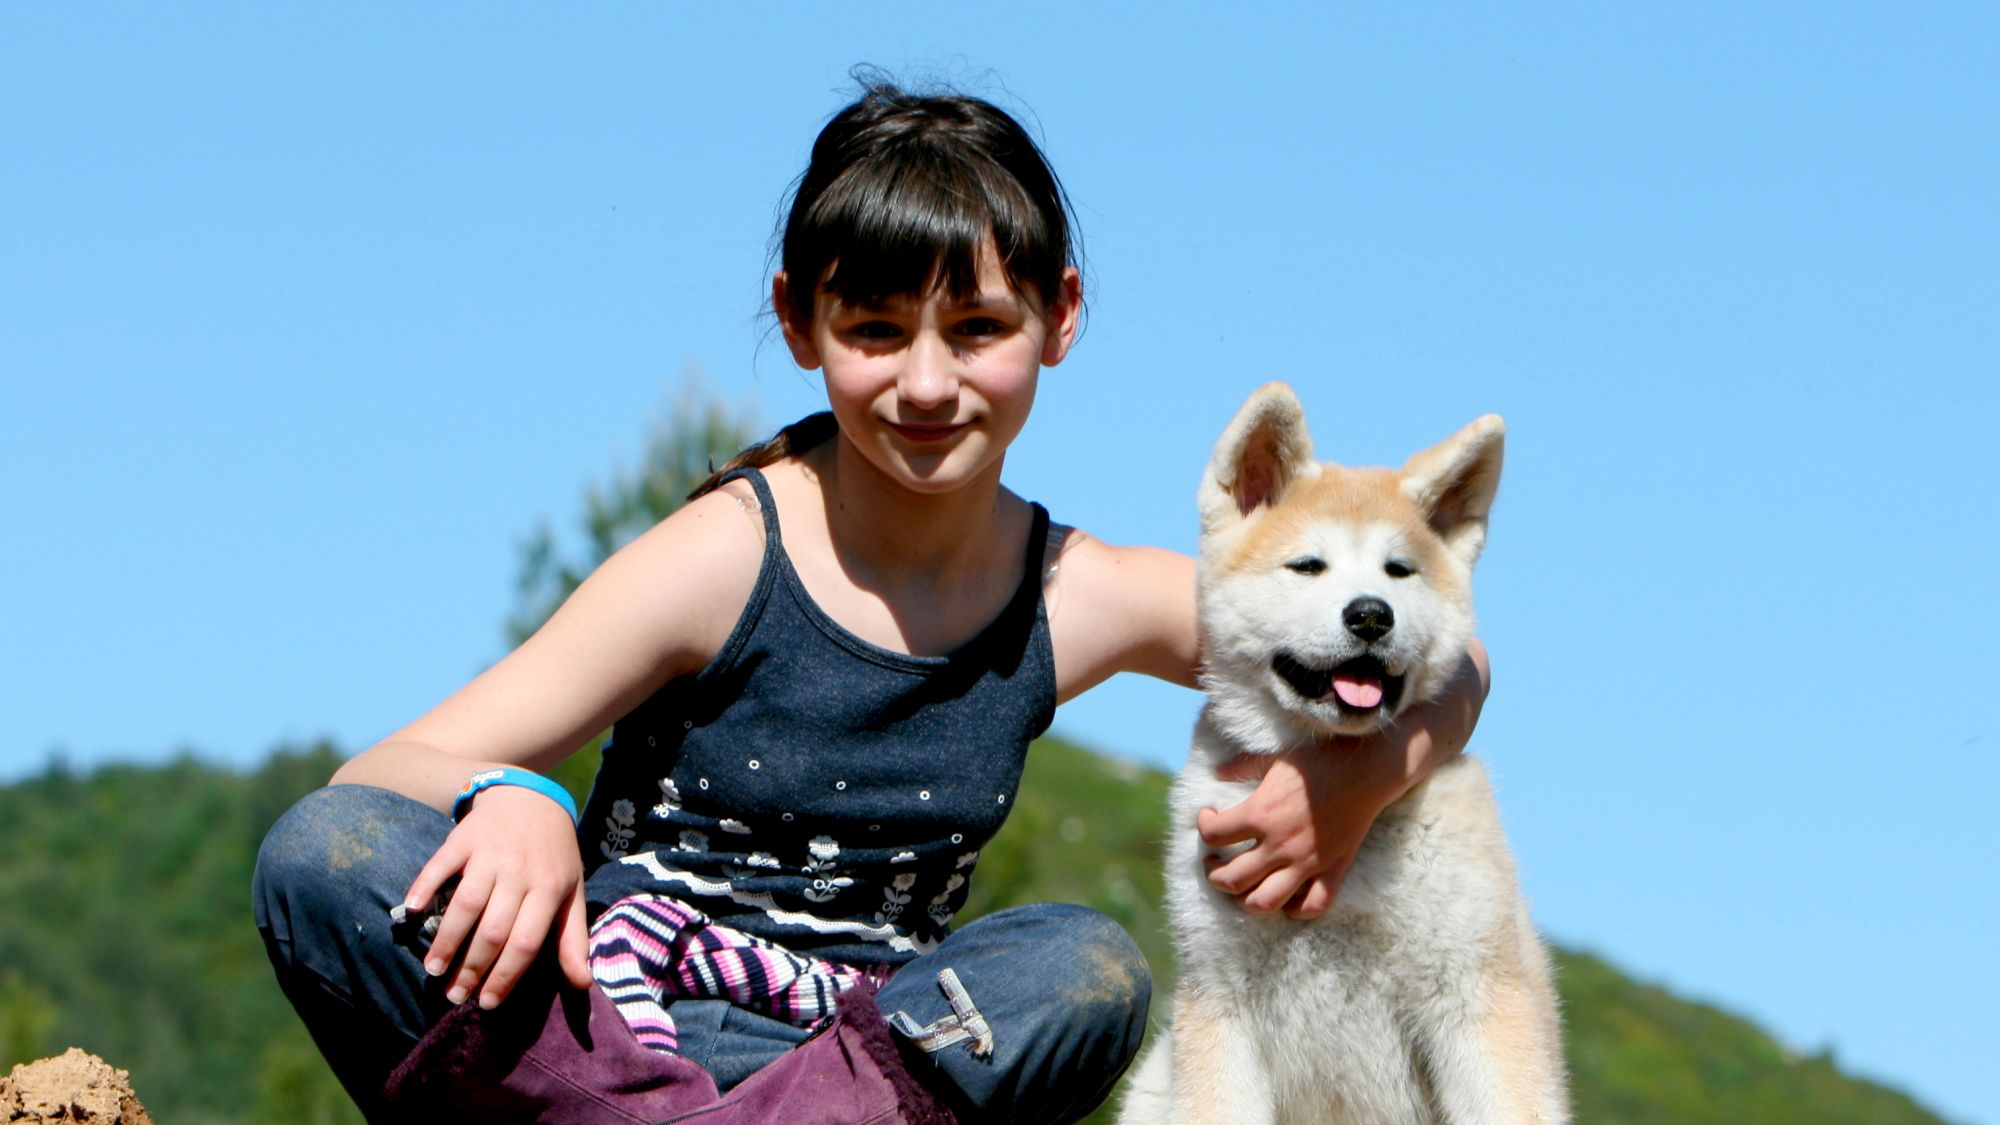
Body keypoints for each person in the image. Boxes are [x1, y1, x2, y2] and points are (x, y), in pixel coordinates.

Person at [253, 79, 1490, 1123]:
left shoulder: (1078, 594)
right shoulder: (725, 555)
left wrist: (1359, 779)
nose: (926, 381)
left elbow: (1458, 665)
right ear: (800, 319)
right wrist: (514, 795)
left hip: (865, 1069)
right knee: (325, 856)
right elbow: (386, 775)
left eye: (976, 326)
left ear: (1058, 317)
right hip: (608, 1031)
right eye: (876, 328)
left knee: (1080, 970)